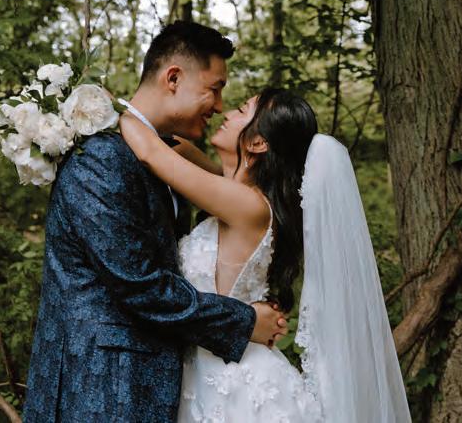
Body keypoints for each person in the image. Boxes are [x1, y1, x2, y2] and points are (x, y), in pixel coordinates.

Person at [22, 21, 288, 423]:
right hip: (101, 388)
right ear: (174, 78)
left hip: (157, 384)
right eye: (215, 88)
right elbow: (139, 284)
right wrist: (243, 320)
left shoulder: (165, 157)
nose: (219, 106)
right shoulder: (102, 158)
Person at [121, 88, 412, 422]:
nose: (227, 113)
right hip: (210, 369)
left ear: (258, 142)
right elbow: (175, 146)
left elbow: (150, 152)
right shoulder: (235, 193)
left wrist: (97, 107)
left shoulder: (247, 205)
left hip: (237, 385)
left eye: (241, 110)